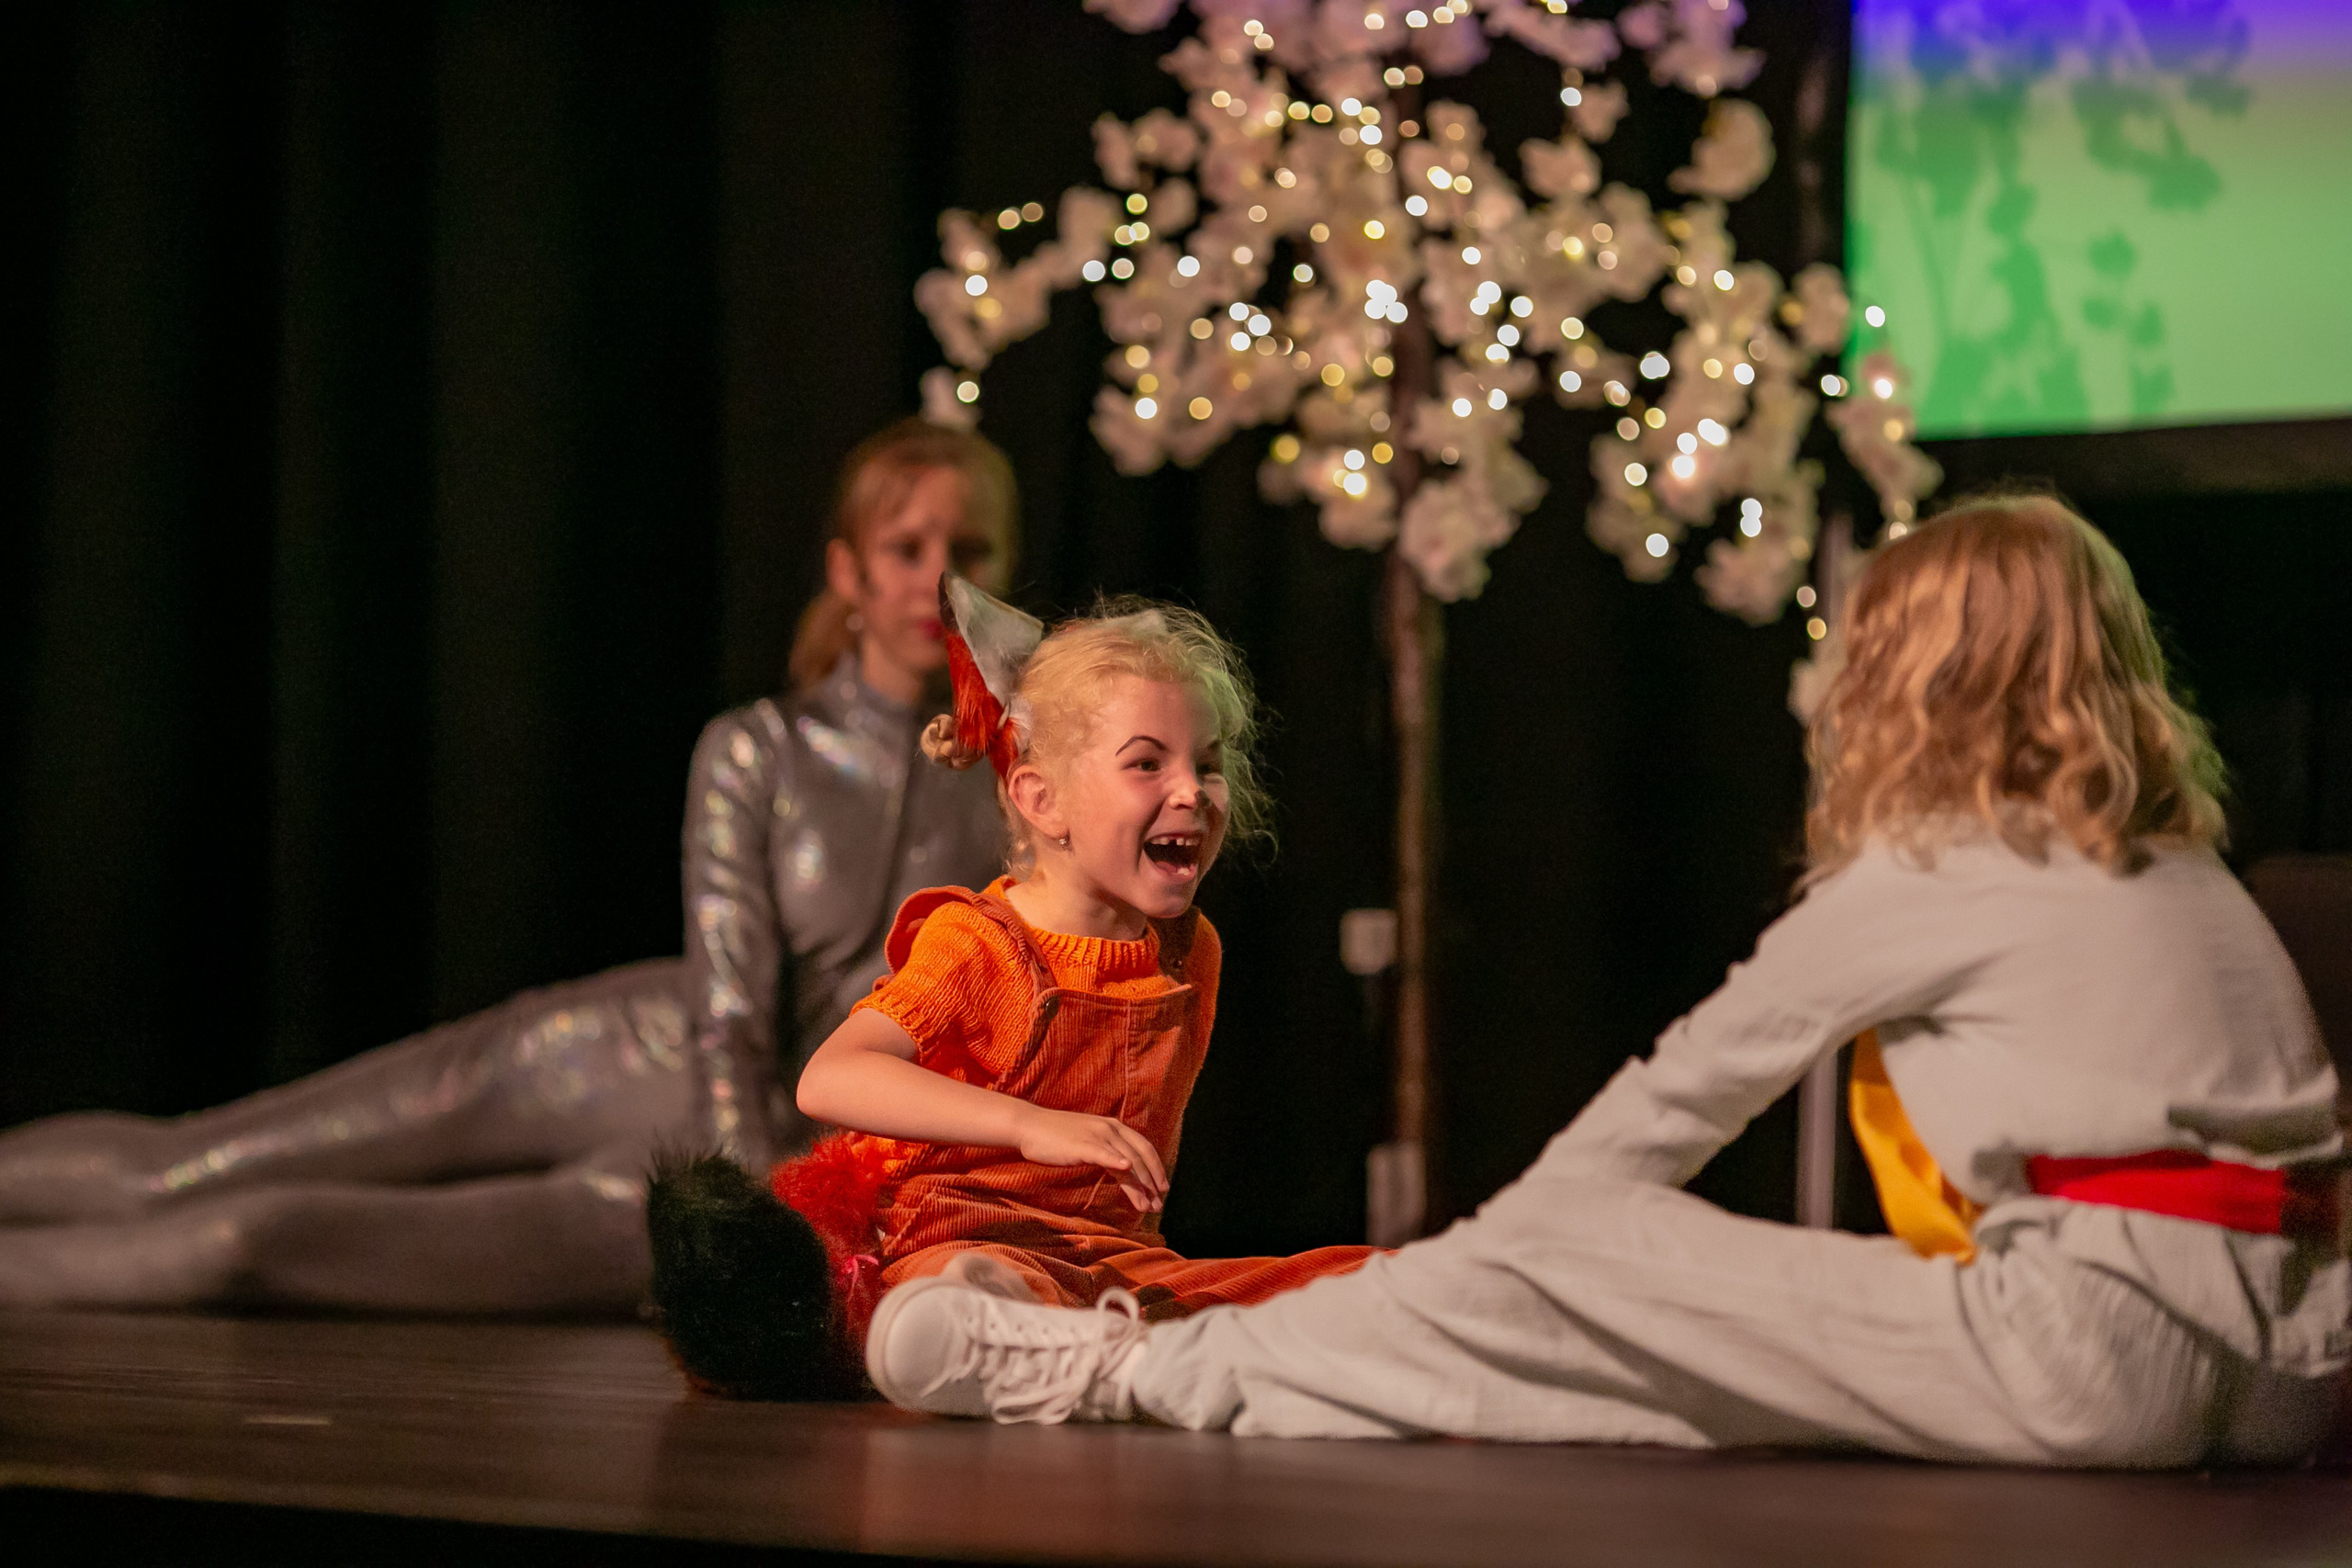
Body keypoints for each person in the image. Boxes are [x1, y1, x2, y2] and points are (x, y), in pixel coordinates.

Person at [860, 492, 2351, 1468]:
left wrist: (1486, 1270)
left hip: (2096, 1355)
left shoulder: (1946, 861)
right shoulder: (2186, 870)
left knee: (1558, 1272)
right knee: (1628, 1390)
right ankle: (1169, 1361)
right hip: (2290, 1371)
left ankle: (1101, 1374)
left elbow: (1664, 1112)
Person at [0, 418, 1016, 1314]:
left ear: (1006, 564)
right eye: (904, 547)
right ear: (847, 572)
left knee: (247, 1245)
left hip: (731, 1176)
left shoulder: (1029, 778)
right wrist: (747, 1211)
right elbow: (728, 1015)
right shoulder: (760, 748)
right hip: (622, 1062)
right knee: (182, 1169)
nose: (935, 576)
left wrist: (766, 1222)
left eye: (964, 548)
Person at [647, 581, 1377, 1398]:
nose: (1191, 791)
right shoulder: (982, 943)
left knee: (1367, 1281)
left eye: (1207, 764)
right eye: (1148, 762)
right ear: (1043, 798)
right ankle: (1016, 1351)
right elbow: (832, 1076)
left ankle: (1123, 1358)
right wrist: (1029, 1125)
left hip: (1110, 1262)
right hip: (968, 1240)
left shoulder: (1187, 950)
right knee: (967, 1294)